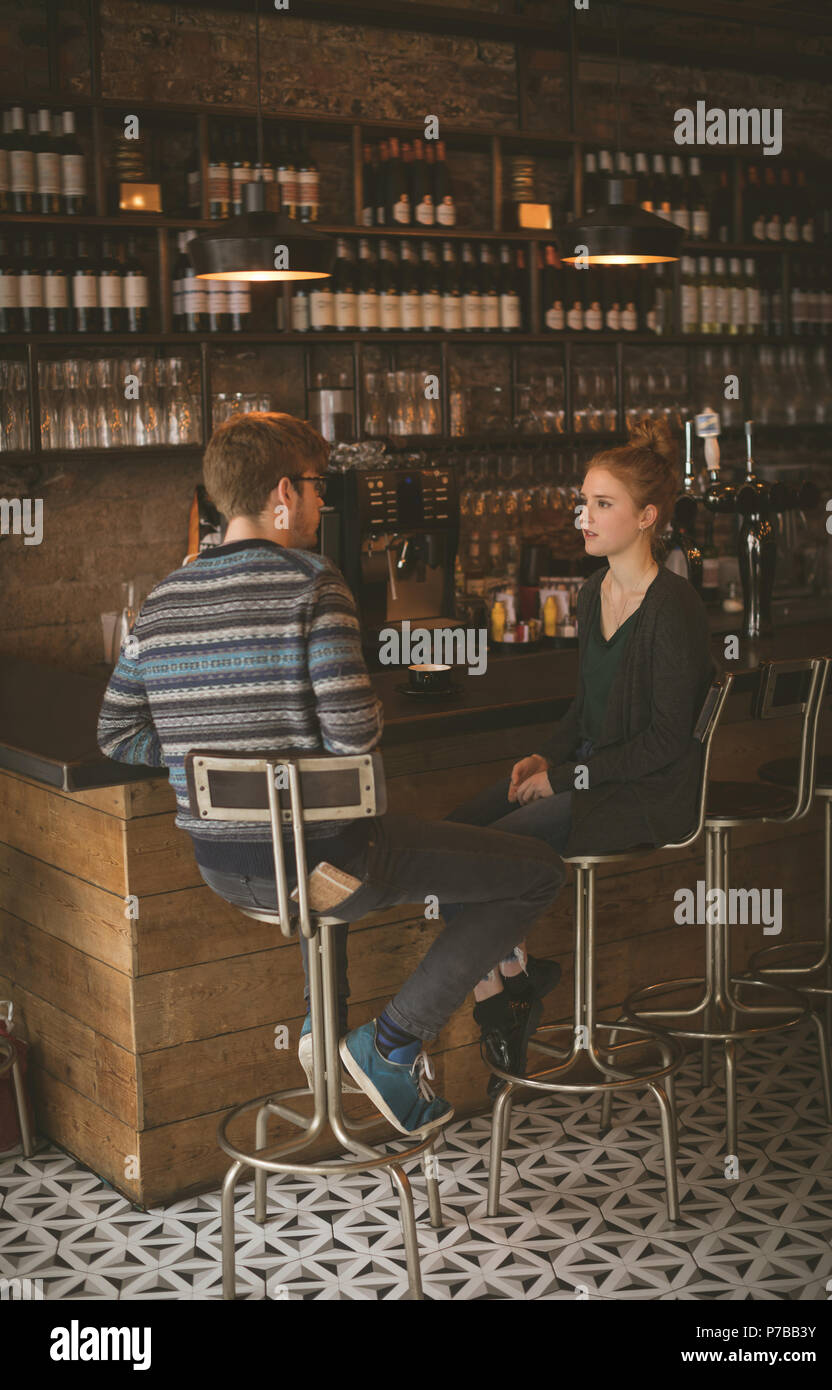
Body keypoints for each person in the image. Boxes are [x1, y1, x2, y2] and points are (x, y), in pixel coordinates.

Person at [96, 412, 567, 1141]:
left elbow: (118, 733)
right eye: (318, 488)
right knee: (534, 872)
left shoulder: (162, 601)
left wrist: (205, 751)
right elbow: (354, 733)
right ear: (283, 492)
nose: (323, 505)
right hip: (332, 869)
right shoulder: (315, 583)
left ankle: (327, 1019)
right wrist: (290, 740)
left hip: (225, 871)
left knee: (420, 838)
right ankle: (391, 1046)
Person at [440, 415, 719, 1083]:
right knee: (450, 837)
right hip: (591, 779)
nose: (582, 518)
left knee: (487, 851)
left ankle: (499, 1008)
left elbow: (664, 741)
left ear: (647, 515)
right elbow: (583, 708)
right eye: (583, 502)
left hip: (644, 797)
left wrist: (568, 778)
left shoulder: (672, 606)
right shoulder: (594, 591)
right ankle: (514, 972)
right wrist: (545, 759)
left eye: (601, 504)